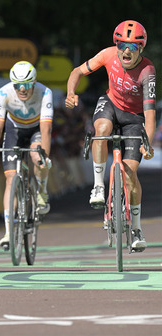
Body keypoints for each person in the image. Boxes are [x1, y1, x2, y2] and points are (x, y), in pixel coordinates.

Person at [65, 20, 156, 252]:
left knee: (129, 175)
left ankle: (135, 228)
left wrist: (149, 142)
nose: (126, 51)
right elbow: (77, 71)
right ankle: (97, 186)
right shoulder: (107, 55)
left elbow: (150, 114)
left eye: (133, 47)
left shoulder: (148, 71)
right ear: (116, 45)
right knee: (102, 130)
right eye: (122, 45)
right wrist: (71, 92)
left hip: (134, 118)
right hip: (110, 105)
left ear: (141, 50)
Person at [0, 61, 53, 249]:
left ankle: (42, 192)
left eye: (27, 85)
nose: (22, 89)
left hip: (36, 129)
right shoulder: (4, 93)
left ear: (34, 83)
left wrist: (44, 156)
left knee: (38, 158)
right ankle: (8, 232)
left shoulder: (45, 93)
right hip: (14, 130)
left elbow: (46, 130)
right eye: (18, 85)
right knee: (10, 178)